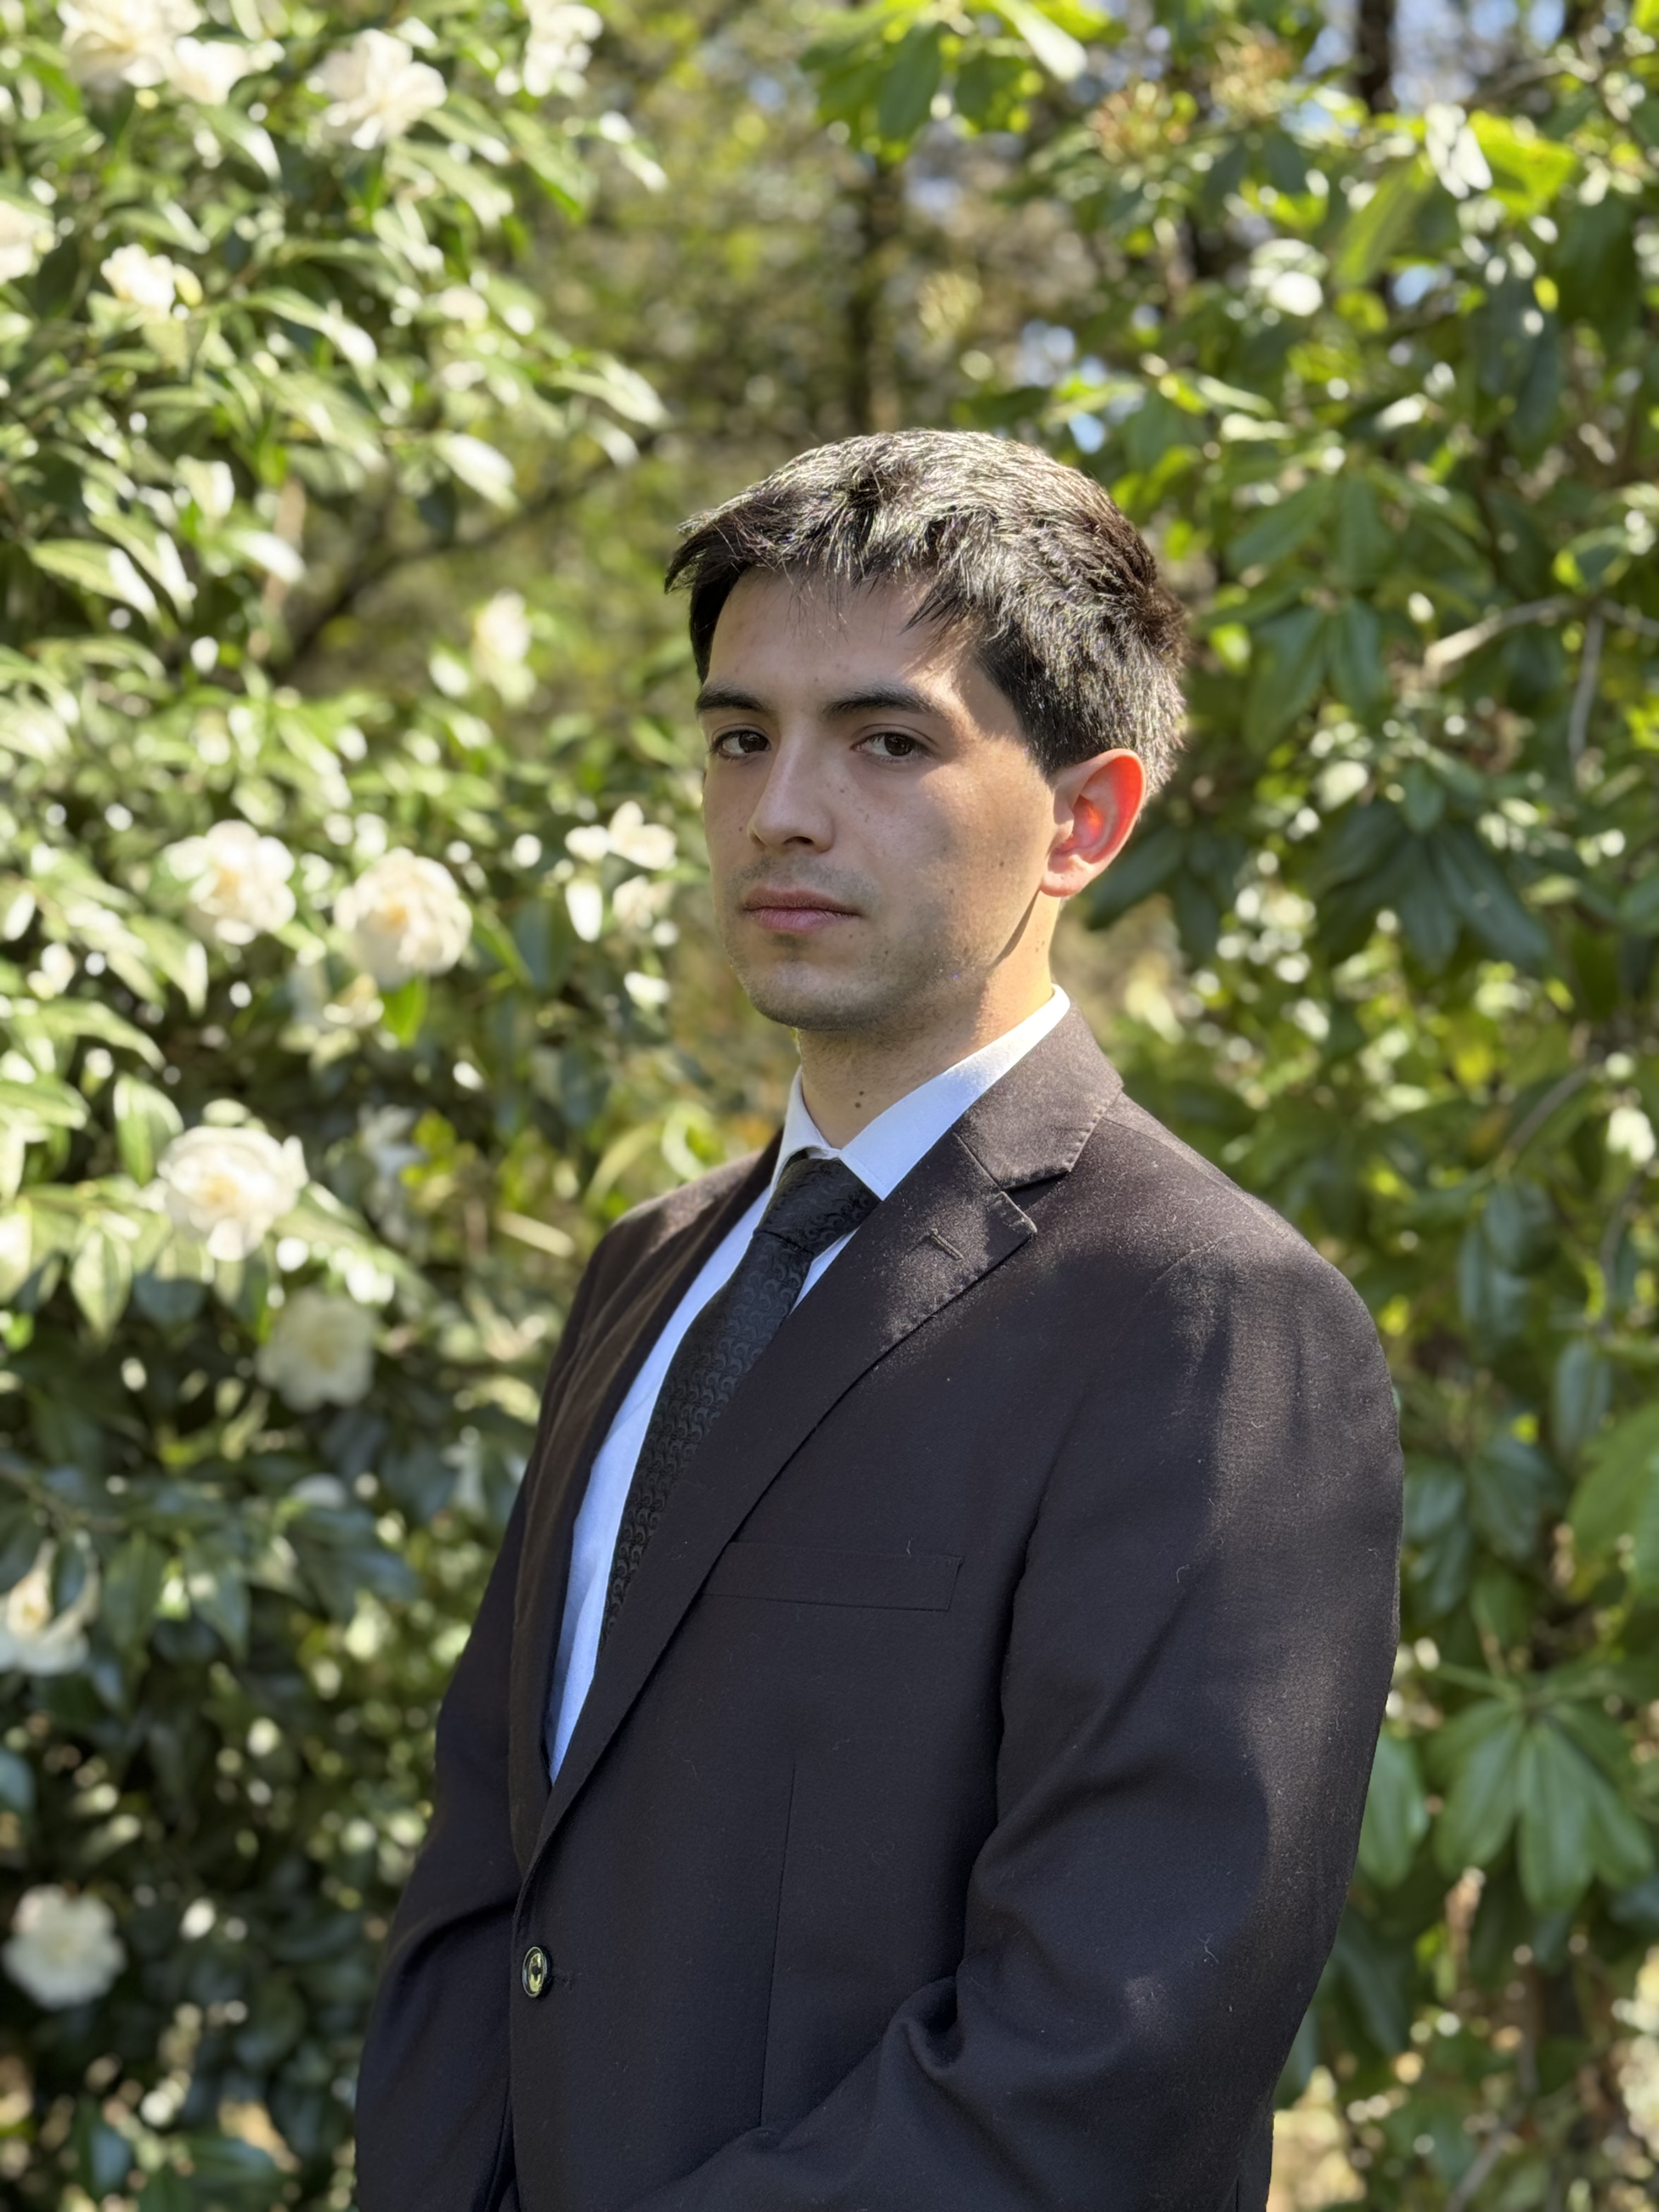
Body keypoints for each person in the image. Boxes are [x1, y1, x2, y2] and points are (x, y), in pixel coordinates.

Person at [355, 430, 1402, 2212]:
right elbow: (490, 1873)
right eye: (739, 737)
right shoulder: (650, 1268)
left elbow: (1110, 2055)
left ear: (1085, 820)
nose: (782, 810)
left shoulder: (1209, 1321)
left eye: (887, 742)